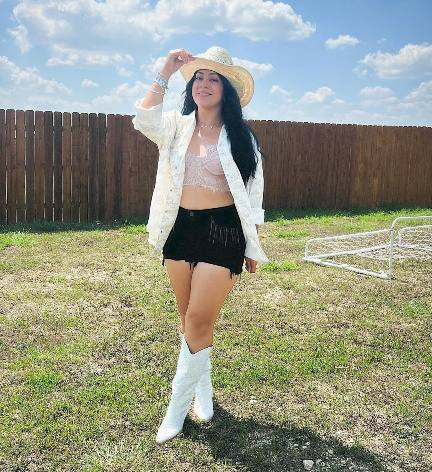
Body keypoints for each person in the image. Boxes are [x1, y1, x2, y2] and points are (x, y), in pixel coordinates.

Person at [131, 46, 269, 444]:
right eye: (199, 78)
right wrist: (164, 70)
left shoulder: (242, 138)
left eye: (213, 79)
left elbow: (254, 193)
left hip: (223, 231)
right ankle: (202, 390)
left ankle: (176, 410)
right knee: (189, 318)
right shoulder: (176, 125)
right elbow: (143, 119)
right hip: (180, 229)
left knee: (198, 320)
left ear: (226, 89)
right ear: (191, 87)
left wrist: (252, 244)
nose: (205, 85)